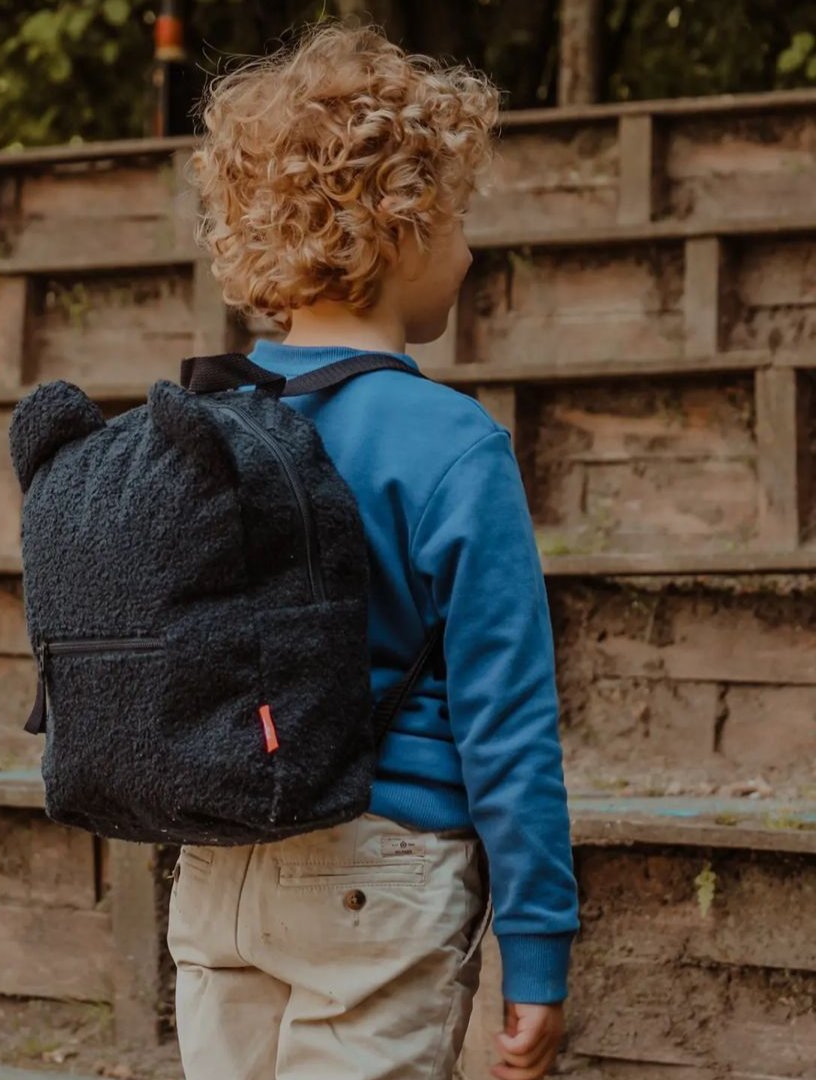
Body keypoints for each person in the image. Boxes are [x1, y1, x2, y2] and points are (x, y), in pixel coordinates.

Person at [167, 22, 579, 1080]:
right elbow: (509, 719)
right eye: (457, 218)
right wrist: (537, 950)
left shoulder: (204, 423)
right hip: (380, 872)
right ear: (398, 230)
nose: (472, 250)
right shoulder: (452, 445)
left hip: (218, 865)